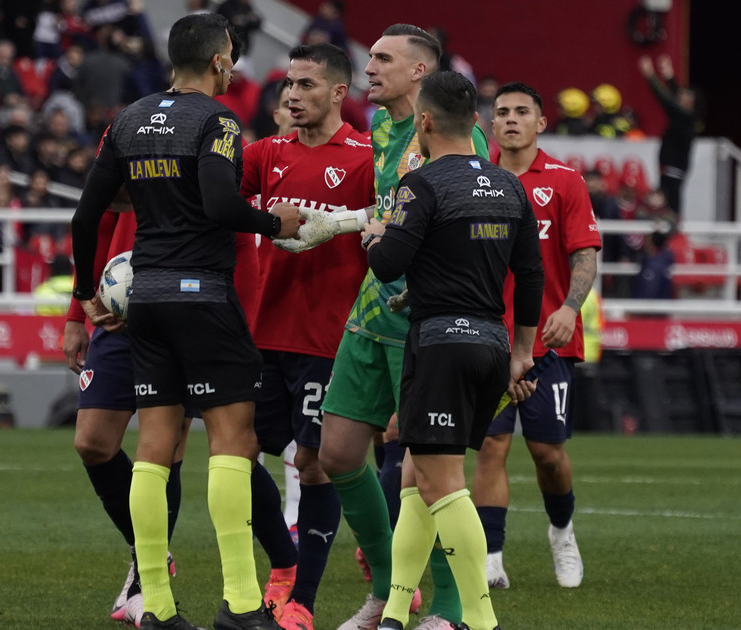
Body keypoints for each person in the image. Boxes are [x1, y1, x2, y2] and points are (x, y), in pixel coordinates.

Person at [68, 13, 300, 630]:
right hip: (202, 295)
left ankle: (159, 610)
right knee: (233, 444)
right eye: (231, 55)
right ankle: (242, 605)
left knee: (153, 449)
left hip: (144, 300)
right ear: (221, 59)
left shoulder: (129, 120)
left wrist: (87, 293)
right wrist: (278, 224)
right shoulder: (218, 120)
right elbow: (222, 205)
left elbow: (86, 217)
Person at [317, 24, 488, 630]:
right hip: (371, 313)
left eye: (383, 59)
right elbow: (388, 211)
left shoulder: (462, 141)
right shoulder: (380, 127)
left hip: (428, 321)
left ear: (420, 72)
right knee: (336, 452)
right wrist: (334, 223)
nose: (370, 67)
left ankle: (445, 607)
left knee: (431, 474)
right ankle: (392, 587)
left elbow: (470, 223)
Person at [360, 70, 544, 630]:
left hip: (441, 343)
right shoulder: (509, 184)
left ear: (424, 121)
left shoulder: (424, 184)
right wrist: (522, 351)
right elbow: (531, 275)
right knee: (417, 477)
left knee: (443, 483)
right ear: (479, 125)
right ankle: (393, 614)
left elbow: (387, 264)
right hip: (490, 343)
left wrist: (375, 234)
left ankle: (481, 621)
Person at [239, 42, 374, 630]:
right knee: (238, 452)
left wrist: (347, 224)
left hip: (330, 339)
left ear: (340, 93)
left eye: (306, 85)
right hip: (262, 332)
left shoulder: (367, 157)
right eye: (288, 85)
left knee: (316, 464)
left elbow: (400, 215)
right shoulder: (264, 153)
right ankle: (284, 562)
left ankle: (303, 603)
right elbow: (215, 202)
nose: (292, 95)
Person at [472, 82, 600, 591]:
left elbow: (584, 254)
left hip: (549, 338)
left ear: (541, 123)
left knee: (547, 453)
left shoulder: (566, 182)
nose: (510, 119)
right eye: (501, 112)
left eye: (522, 111)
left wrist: (571, 308)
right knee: (491, 447)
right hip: (488, 339)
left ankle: (562, 532)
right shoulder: (478, 180)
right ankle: (491, 557)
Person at [638, 55, 699, 218]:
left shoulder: (684, 117)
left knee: (670, 210)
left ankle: (673, 236)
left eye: (682, 99)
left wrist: (651, 77)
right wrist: (669, 76)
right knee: (664, 207)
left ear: (689, 104)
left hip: (673, 171)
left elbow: (667, 102)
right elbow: (677, 98)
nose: (678, 99)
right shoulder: (684, 115)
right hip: (670, 170)